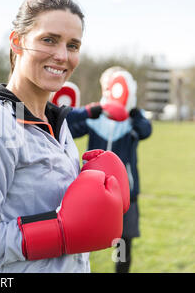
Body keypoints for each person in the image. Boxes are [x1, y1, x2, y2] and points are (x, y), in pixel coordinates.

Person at [0, 0, 129, 273]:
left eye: (73, 45)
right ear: (17, 42)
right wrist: (59, 232)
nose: (61, 55)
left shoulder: (56, 120)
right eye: (49, 40)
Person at [66, 66, 152, 273]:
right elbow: (69, 128)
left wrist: (132, 111)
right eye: (108, 86)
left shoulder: (133, 119)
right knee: (82, 239)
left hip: (126, 194)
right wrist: (90, 111)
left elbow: (145, 130)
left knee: (123, 243)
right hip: (92, 190)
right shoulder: (95, 116)